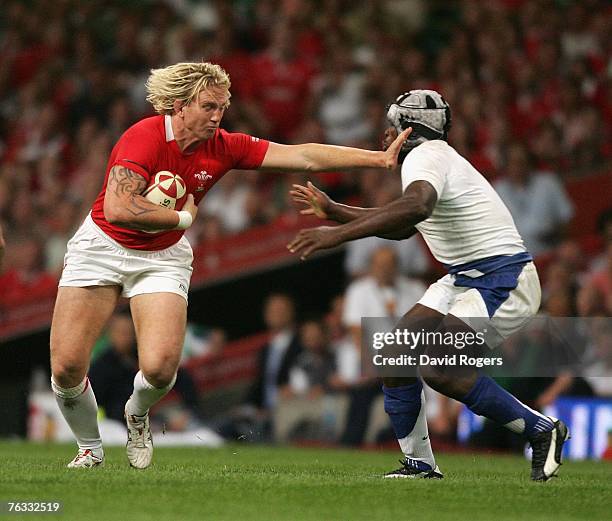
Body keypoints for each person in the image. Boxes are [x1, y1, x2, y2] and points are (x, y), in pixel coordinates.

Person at [50, 62, 411, 469]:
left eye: (222, 107)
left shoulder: (223, 145)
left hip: (162, 257)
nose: (217, 115)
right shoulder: (143, 136)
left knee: (160, 370)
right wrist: (182, 219)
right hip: (101, 246)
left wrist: (378, 159)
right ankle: (90, 448)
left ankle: (136, 413)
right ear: (179, 106)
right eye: (208, 106)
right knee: (65, 368)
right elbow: (117, 208)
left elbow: (304, 156)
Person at [288, 89, 570, 482]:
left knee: (440, 366)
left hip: (502, 278)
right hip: (467, 276)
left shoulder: (424, 156)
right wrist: (336, 212)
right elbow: (405, 226)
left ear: (409, 129)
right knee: (395, 352)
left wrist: (336, 235)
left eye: (392, 127)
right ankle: (419, 464)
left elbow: (415, 208)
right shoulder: (434, 158)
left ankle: (541, 429)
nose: (385, 136)